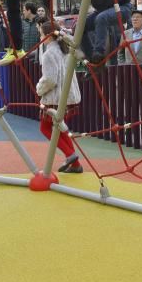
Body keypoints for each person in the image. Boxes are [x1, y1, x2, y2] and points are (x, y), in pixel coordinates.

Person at [35, 20, 83, 173]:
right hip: (70, 95)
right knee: (60, 128)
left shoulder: (49, 53)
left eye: (41, 34)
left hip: (56, 99)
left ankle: (70, 155)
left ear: (48, 37)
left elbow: (50, 79)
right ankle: (75, 164)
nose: (40, 36)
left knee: (45, 128)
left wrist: (39, 89)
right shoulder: (65, 49)